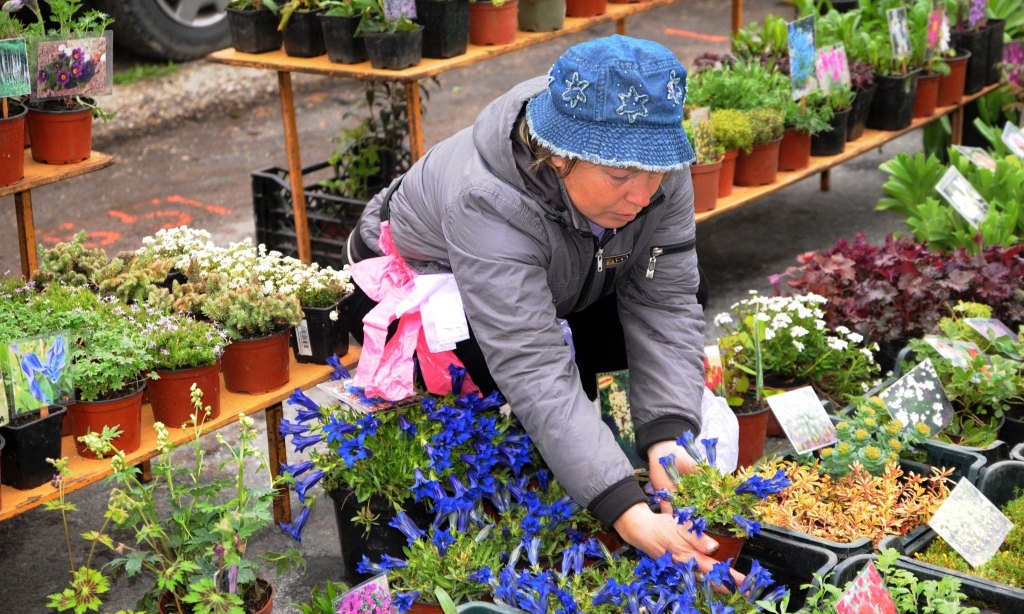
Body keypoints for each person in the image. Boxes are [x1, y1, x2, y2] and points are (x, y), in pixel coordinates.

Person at [345, 35, 726, 572]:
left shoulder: (657, 169)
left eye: (656, 171)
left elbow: (665, 301)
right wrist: (623, 507)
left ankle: (602, 456)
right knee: (493, 364)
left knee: (677, 296)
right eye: (619, 177)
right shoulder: (486, 199)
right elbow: (531, 360)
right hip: (428, 283)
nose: (643, 195)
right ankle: (558, 482)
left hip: (564, 274)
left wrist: (667, 434)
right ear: (559, 157)